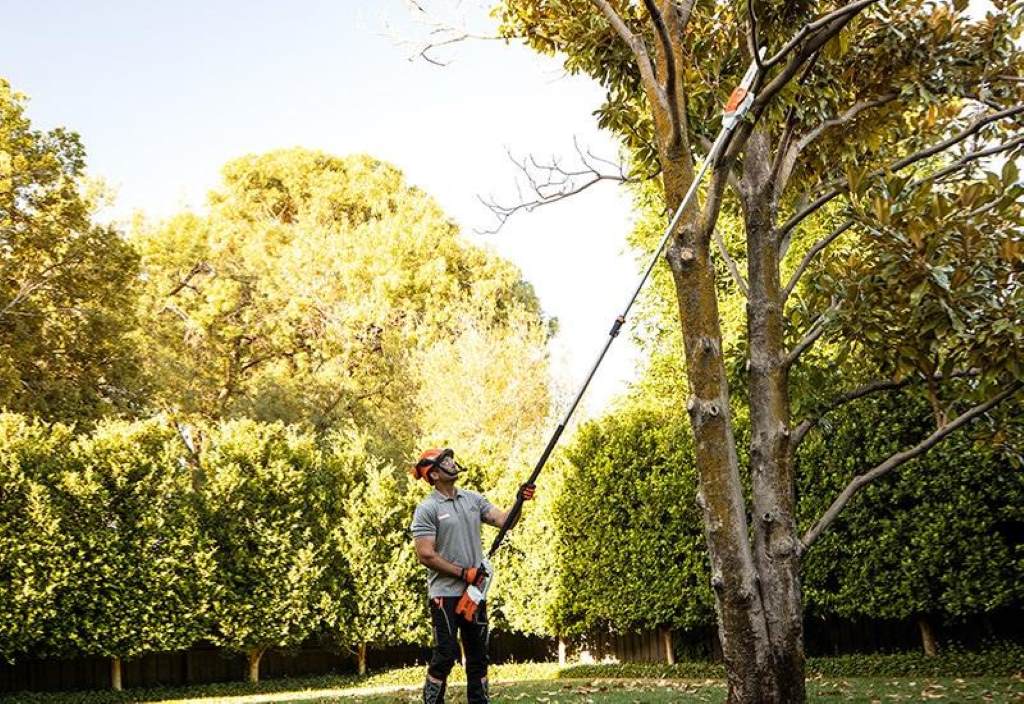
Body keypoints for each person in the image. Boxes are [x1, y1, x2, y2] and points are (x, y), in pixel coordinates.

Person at [409, 447, 535, 704]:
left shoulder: (472, 500)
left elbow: (506, 521)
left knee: (478, 656)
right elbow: (425, 554)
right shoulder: (428, 508)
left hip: (474, 593)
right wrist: (463, 573)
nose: (452, 463)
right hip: (444, 594)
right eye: (445, 461)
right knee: (445, 654)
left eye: (451, 459)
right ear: (433, 474)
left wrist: (519, 500)